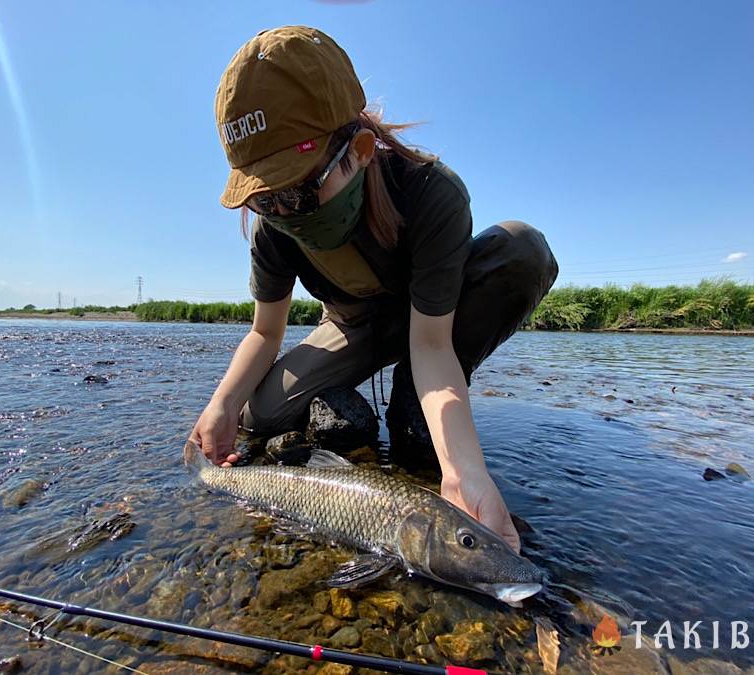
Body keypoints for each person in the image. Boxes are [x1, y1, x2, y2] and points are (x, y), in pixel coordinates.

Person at [189, 25, 558, 553]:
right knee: (258, 416)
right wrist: (221, 406)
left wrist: (463, 473)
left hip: (433, 326)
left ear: (359, 150)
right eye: (262, 199)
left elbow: (431, 343)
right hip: (352, 325)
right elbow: (264, 332)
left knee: (521, 248)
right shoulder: (274, 227)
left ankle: (414, 400)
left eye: (295, 192)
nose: (279, 212)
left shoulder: (433, 193)